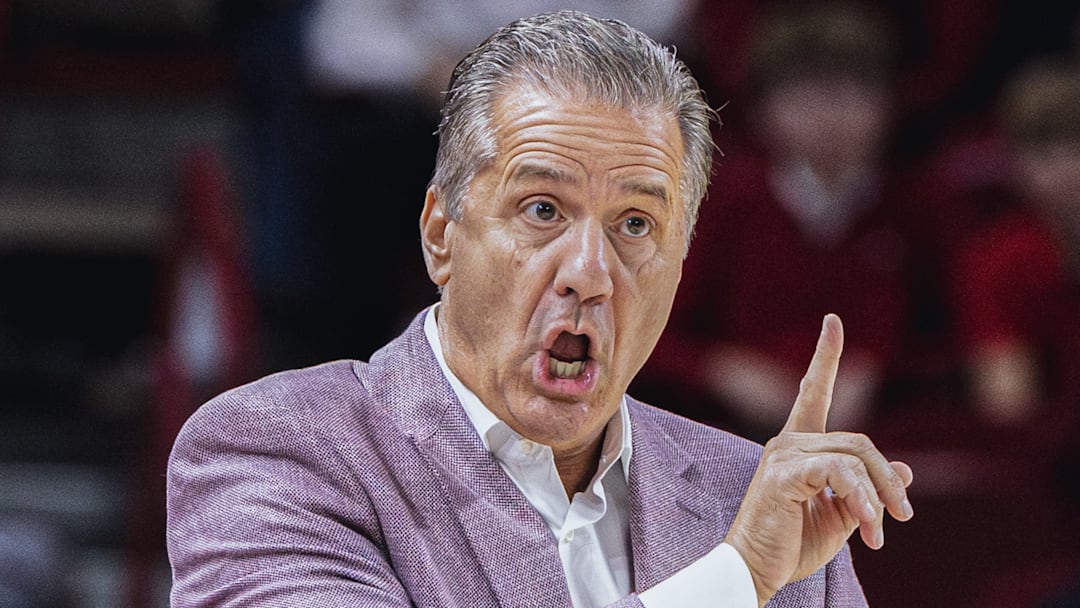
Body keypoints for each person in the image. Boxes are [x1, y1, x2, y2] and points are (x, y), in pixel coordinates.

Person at [166, 10, 913, 607]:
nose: (590, 272)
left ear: (680, 268)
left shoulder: (752, 495)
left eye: (635, 225)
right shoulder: (275, 453)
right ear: (441, 236)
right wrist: (736, 577)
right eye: (543, 210)